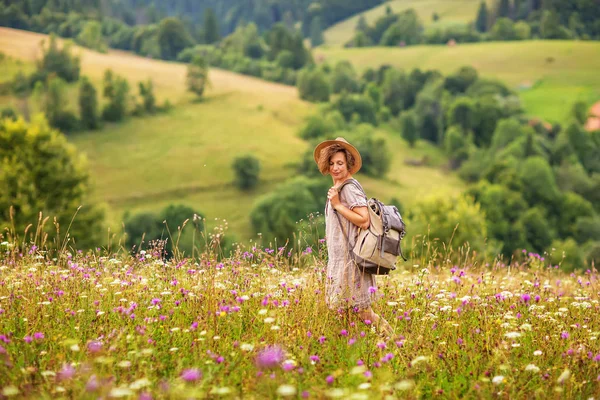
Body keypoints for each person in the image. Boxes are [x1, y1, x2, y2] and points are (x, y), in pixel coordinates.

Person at [313, 137, 393, 337]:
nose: (335, 168)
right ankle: (354, 347)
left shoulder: (349, 188)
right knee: (345, 313)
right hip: (341, 259)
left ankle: (395, 341)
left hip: (351, 260)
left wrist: (338, 205)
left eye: (340, 163)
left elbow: (364, 220)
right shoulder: (339, 188)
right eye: (331, 163)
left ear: (348, 163)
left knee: (363, 311)